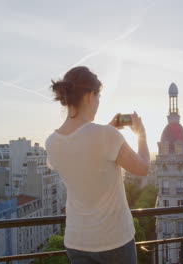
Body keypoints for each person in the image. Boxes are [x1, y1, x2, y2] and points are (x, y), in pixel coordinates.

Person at [45, 66, 150, 264]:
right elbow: (143, 167)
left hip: (77, 241)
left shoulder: (51, 142)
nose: (98, 103)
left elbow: (82, 150)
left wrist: (108, 130)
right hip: (113, 240)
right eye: (99, 96)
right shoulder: (105, 136)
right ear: (90, 96)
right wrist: (141, 134)